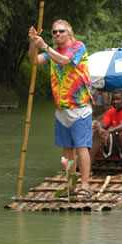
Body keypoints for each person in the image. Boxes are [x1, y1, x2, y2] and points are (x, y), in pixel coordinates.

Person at [29, 19, 94, 199]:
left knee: (81, 147)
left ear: (69, 33)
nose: (57, 34)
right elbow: (34, 61)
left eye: (61, 31)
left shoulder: (77, 47)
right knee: (67, 150)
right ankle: (71, 185)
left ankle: (85, 185)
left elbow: (66, 61)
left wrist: (45, 46)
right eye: (54, 32)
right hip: (61, 108)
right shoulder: (53, 52)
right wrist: (33, 42)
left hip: (79, 107)